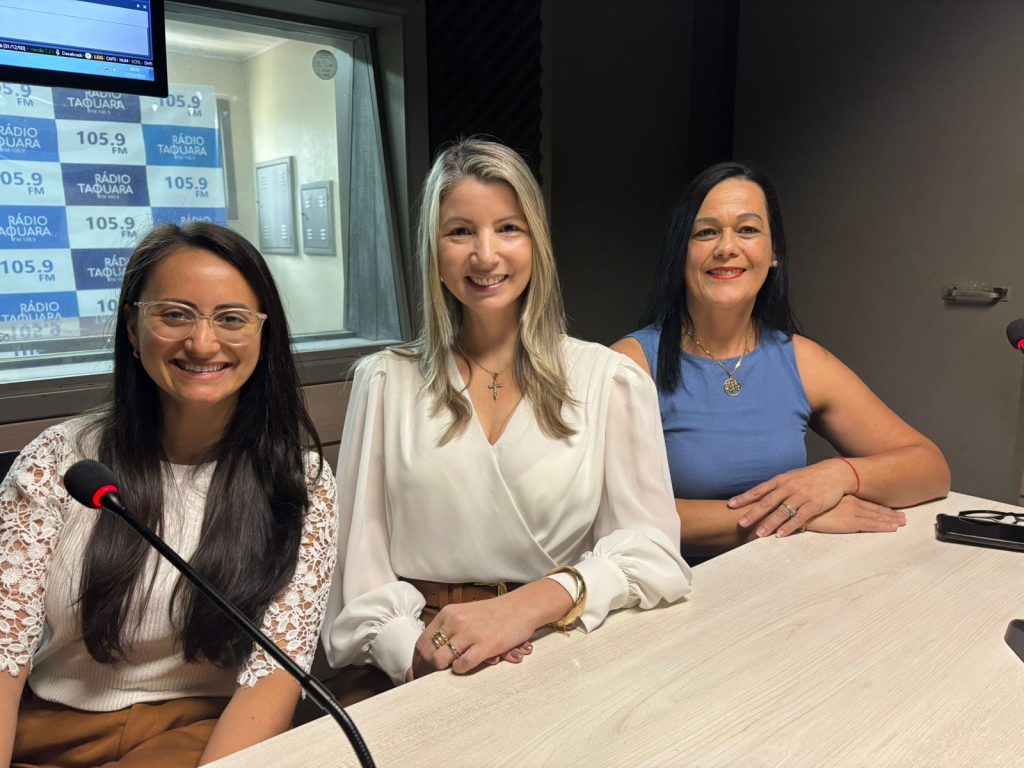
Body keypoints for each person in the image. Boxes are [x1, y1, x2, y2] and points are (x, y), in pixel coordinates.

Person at [322, 138, 691, 688]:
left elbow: (653, 551)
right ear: (433, 252)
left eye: (508, 228)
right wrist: (418, 655)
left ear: (536, 243)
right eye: (460, 231)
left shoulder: (608, 380)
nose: (486, 254)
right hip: (420, 661)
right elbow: (359, 568)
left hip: (560, 643)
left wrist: (531, 606)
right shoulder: (383, 382)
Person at [0, 222, 337, 767]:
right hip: (50, 733)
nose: (202, 343)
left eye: (231, 319)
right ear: (133, 329)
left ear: (264, 335)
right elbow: (3, 653)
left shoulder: (301, 481)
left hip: (202, 734)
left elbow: (273, 678)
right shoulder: (58, 460)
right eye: (175, 315)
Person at [613, 162, 950, 561]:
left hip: (785, 581)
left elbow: (931, 469)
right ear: (681, 253)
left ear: (773, 253)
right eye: (705, 232)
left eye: (747, 230)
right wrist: (794, 515)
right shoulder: (628, 365)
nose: (726, 247)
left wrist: (836, 476)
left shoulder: (802, 359)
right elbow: (616, 518)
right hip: (675, 590)